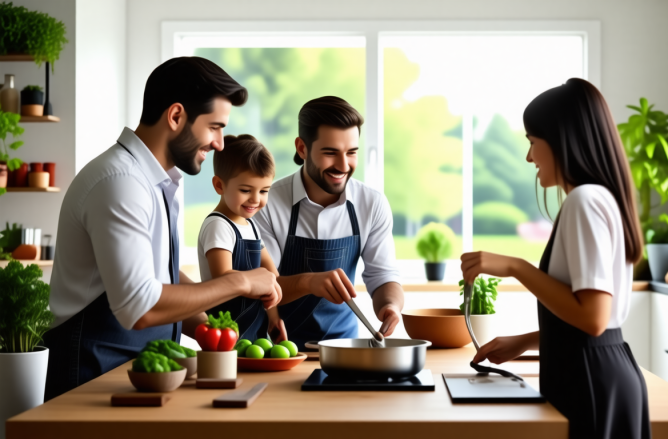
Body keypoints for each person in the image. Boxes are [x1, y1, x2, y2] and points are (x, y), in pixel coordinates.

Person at [43, 57, 282, 401]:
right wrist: (240, 281)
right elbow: (141, 305)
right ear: (175, 116)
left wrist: (208, 330)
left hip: (134, 371)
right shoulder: (120, 182)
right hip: (90, 374)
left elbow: (160, 277)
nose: (219, 143)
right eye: (214, 127)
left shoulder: (155, 181)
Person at [462, 78, 650, 439]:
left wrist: (516, 267)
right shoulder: (599, 198)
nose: (529, 156)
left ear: (563, 142)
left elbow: (593, 319)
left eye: (533, 143)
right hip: (601, 371)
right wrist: (528, 340)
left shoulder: (584, 201)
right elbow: (595, 323)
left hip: (590, 381)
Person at [254, 96, 404, 349]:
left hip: (346, 349)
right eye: (330, 153)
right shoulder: (265, 203)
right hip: (277, 352)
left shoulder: (372, 204)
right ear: (302, 148)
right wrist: (309, 282)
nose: (344, 165)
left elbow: (383, 275)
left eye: (352, 153)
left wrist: (391, 306)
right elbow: (260, 285)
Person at [198, 134, 287, 342]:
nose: (256, 199)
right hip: (225, 332)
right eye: (246, 190)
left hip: (255, 330)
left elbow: (271, 277)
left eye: (264, 191)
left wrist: (274, 318)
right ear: (219, 185)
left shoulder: (251, 226)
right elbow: (223, 276)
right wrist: (255, 282)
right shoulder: (218, 225)